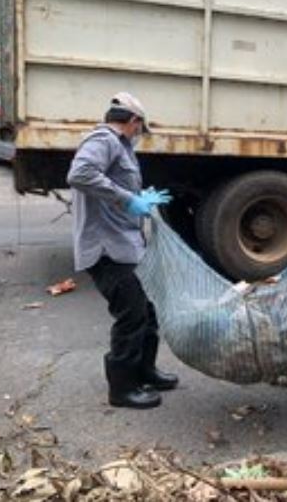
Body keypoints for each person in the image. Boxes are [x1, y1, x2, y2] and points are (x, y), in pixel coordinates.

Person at [66, 92, 176, 410]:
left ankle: (145, 371)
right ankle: (122, 388)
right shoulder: (104, 140)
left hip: (124, 243)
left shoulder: (120, 146)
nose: (139, 133)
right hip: (106, 248)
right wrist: (128, 200)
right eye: (140, 127)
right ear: (134, 121)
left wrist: (139, 196)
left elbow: (112, 184)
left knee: (147, 310)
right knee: (131, 314)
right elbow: (80, 174)